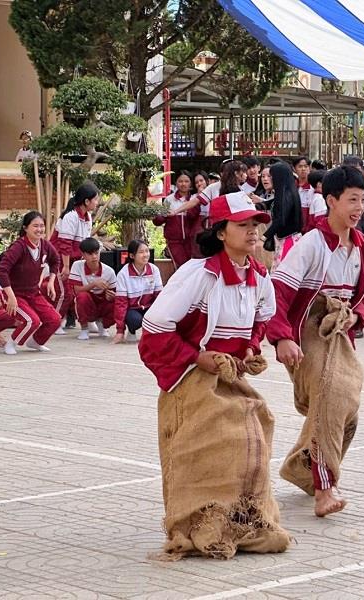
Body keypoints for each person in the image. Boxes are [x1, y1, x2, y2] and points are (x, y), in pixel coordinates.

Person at [137, 191, 289, 560]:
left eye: (256, 224)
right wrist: (197, 358)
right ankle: (198, 525)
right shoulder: (198, 274)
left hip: (228, 376)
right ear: (221, 232)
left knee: (257, 428)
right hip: (192, 375)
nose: (253, 232)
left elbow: (258, 322)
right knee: (219, 438)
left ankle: (243, 521)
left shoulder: (258, 276)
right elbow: (155, 327)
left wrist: (251, 349)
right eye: (243, 225)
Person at [267, 165, 364, 517]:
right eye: (352, 200)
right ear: (330, 201)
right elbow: (278, 293)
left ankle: (302, 467)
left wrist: (358, 315)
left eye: (362, 199)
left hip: (341, 331)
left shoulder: (363, 245)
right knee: (329, 398)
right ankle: (324, 488)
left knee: (348, 410)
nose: (359, 207)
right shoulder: (310, 245)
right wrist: (282, 338)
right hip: (310, 329)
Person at [0, 211, 62, 355]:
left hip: (33, 294)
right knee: (32, 321)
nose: (39, 229)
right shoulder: (19, 247)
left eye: (42, 226)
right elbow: (2, 270)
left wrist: (51, 281)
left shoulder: (45, 245)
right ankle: (11, 343)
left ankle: (36, 342)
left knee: (55, 319)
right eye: (35, 226)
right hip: (14, 294)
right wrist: (10, 297)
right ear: (25, 228)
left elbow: (56, 260)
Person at [49, 182, 100, 333]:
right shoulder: (71, 217)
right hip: (59, 258)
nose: (97, 203)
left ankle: (87, 319)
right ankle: (55, 321)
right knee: (64, 293)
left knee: (80, 291)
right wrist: (65, 267)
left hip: (76, 259)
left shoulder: (87, 217)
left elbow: (85, 243)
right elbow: (64, 245)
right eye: (95, 199)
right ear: (86, 201)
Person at [113, 240, 163, 344]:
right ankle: (131, 331)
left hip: (149, 307)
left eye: (147, 251)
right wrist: (120, 331)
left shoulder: (154, 270)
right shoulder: (123, 274)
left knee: (157, 315)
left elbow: (159, 296)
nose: (145, 255)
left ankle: (150, 333)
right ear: (132, 255)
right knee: (134, 320)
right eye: (141, 252)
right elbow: (121, 303)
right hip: (132, 309)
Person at [153, 171, 204, 268]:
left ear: (191, 183)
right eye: (180, 181)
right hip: (174, 241)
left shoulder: (194, 199)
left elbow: (193, 216)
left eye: (186, 181)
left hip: (191, 241)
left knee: (192, 267)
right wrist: (157, 216)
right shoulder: (169, 199)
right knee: (180, 266)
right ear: (176, 183)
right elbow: (159, 220)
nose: (183, 184)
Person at [69, 237, 117, 341]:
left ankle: (103, 326)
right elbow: (77, 290)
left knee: (116, 302)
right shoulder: (77, 266)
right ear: (83, 254)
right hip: (87, 302)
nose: (94, 257)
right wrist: (94, 284)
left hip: (102, 302)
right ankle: (84, 328)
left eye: (96, 253)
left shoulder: (109, 271)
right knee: (82, 296)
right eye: (90, 254)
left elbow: (115, 292)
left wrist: (111, 296)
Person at [263, 162, 302, 266]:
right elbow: (271, 204)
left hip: (288, 241)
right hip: (284, 240)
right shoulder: (286, 192)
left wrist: (264, 237)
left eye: (271, 176)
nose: (268, 179)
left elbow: (280, 219)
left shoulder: (286, 195)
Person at [342, 156, 364, 242]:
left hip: (363, 239)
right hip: (342, 238)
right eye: (350, 170)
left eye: (357, 170)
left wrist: (362, 188)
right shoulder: (337, 192)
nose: (353, 174)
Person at [293, 156, 313, 224]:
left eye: (306, 166)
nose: (303, 169)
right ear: (294, 169)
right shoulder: (292, 186)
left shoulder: (313, 187)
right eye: (300, 166)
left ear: (310, 168)